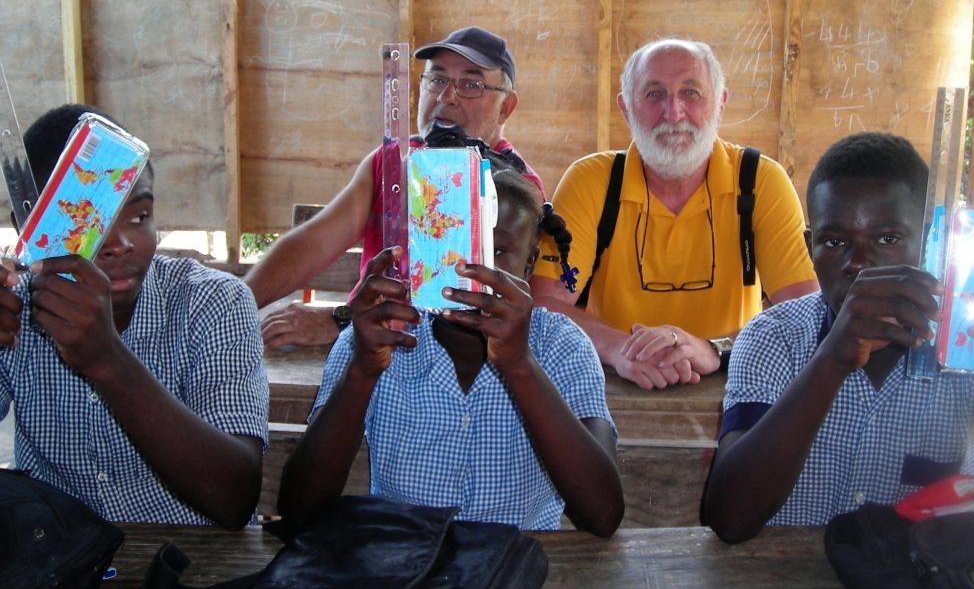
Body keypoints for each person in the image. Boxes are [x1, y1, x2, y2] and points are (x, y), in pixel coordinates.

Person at [701, 132, 974, 543]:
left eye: (887, 239)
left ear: (930, 242)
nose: (858, 265)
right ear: (809, 246)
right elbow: (729, 518)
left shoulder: (973, 344)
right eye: (834, 242)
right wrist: (832, 360)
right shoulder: (773, 337)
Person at [277, 170, 624, 537]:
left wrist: (520, 367)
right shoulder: (378, 339)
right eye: (455, 248)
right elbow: (300, 509)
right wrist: (362, 373)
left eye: (498, 251)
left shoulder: (561, 347)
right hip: (404, 565)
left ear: (529, 262)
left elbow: (601, 515)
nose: (471, 272)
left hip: (519, 567)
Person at [0, 104, 268, 528]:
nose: (121, 243)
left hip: (199, 559)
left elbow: (235, 498)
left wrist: (107, 360)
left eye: (140, 217)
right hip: (58, 560)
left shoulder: (214, 302)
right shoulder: (13, 310)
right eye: (86, 221)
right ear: (28, 229)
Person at [530, 39, 818, 390]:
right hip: (609, 386)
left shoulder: (760, 182)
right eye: (654, 94)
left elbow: (806, 315)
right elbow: (544, 306)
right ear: (626, 108)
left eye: (691, 93)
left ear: (721, 103)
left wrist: (715, 349)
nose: (674, 112)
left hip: (735, 384)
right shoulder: (592, 181)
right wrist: (620, 348)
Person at [249, 26, 543, 350]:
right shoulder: (388, 163)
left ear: (506, 107)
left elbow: (463, 307)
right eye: (437, 79)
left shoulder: (514, 191)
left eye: (471, 85)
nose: (447, 97)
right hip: (367, 351)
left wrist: (341, 321)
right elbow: (315, 241)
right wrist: (233, 302)